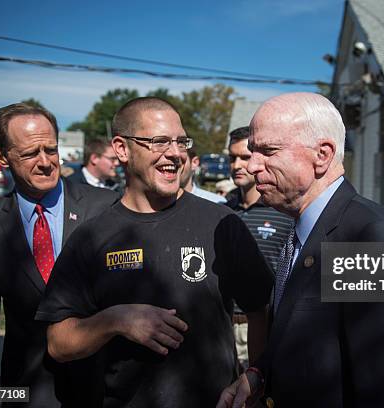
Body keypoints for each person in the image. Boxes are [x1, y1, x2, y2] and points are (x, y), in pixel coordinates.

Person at [36, 97, 273, 407]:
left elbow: (261, 309)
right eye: (160, 142)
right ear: (121, 148)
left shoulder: (220, 223)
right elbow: (58, 344)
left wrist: (254, 376)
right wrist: (115, 320)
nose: (175, 154)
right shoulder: (92, 237)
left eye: (180, 141)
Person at [217, 92, 384, 407]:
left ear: (322, 155)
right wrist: (259, 373)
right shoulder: (304, 229)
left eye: (267, 151)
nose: (253, 166)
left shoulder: (372, 238)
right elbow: (308, 343)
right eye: (253, 151)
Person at [0, 103, 117, 407]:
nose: (46, 162)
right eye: (31, 153)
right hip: (26, 392)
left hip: (106, 390)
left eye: (51, 149)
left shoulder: (107, 207)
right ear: (1, 157)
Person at [225, 126, 293, 368]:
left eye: (244, 157)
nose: (236, 165)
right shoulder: (224, 210)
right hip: (223, 327)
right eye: (232, 158)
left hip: (263, 325)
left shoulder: (283, 213)